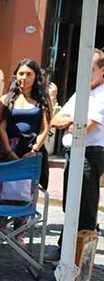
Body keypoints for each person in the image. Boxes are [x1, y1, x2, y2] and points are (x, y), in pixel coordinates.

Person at [47, 48, 104, 262]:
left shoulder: (102, 94)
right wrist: (72, 122)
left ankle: (80, 256)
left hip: (91, 153)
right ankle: (65, 249)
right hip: (74, 152)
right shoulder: (82, 92)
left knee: (85, 206)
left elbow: (85, 127)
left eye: (90, 69)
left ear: (102, 71)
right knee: (70, 204)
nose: (86, 73)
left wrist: (72, 122)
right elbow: (55, 120)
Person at [0, 58, 52, 247]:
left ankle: (19, 232)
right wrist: (8, 150)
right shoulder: (7, 99)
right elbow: (1, 126)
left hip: (31, 152)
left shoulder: (42, 101)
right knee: (3, 190)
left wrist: (34, 150)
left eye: (29, 74)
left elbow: (45, 128)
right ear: (16, 75)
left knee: (26, 192)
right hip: (9, 149)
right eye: (21, 73)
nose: (24, 77)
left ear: (36, 76)